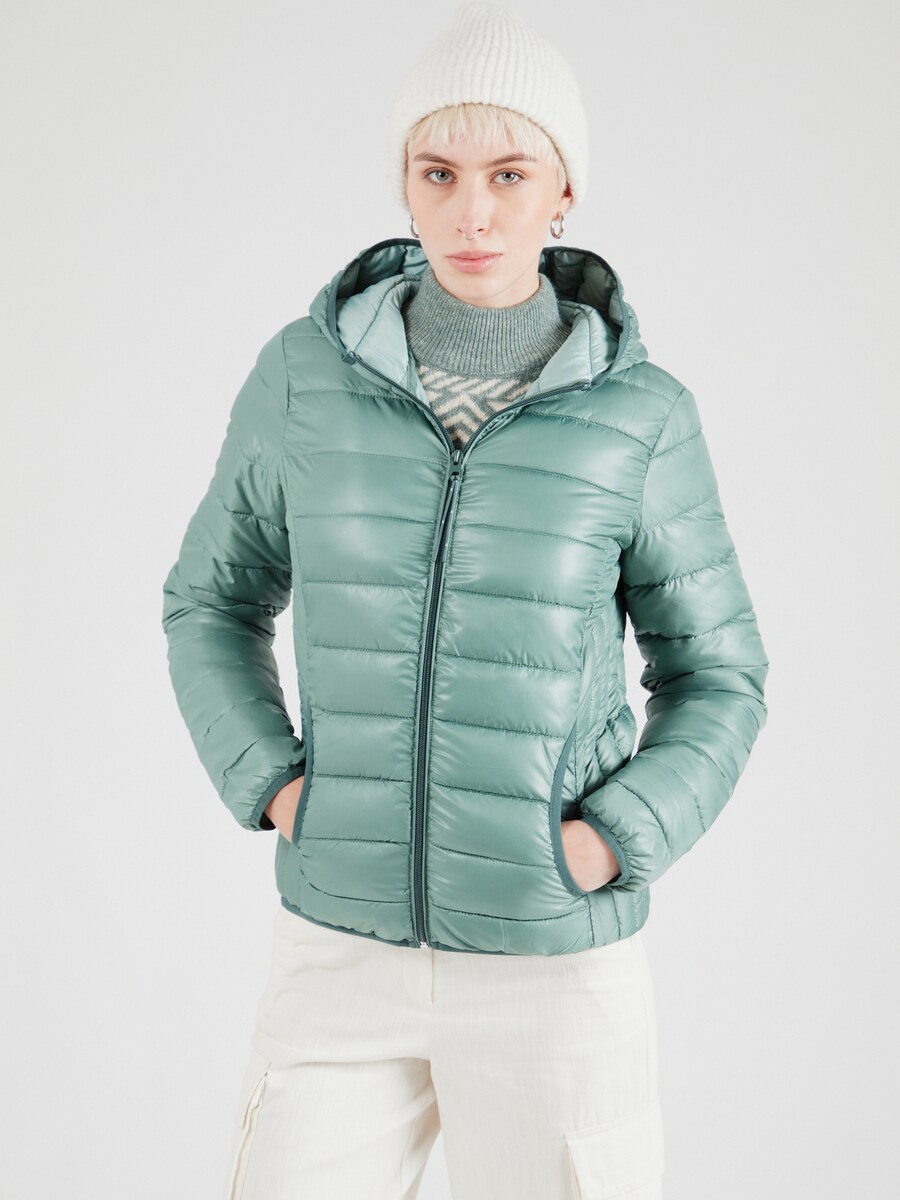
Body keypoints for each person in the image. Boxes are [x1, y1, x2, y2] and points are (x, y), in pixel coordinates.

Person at [160, 4, 769, 1197]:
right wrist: (275, 783)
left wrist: (611, 840)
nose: (472, 213)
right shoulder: (303, 376)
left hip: (553, 962)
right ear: (405, 182)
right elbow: (209, 602)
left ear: (564, 191)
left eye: (509, 174)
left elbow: (720, 675)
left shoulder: (641, 417)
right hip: (337, 949)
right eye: (439, 173)